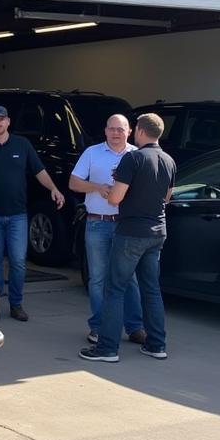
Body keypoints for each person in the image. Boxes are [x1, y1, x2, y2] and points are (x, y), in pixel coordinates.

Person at [79, 112, 176, 362]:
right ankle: (157, 345)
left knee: (115, 288)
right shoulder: (168, 160)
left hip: (131, 232)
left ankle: (107, 348)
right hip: (157, 232)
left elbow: (115, 198)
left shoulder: (133, 158)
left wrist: (115, 193)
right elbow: (167, 197)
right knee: (151, 289)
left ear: (139, 131)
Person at [0, 105, 65, 322]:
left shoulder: (22, 145)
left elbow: (39, 170)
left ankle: (16, 304)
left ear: (8, 122)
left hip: (18, 215)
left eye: (1, 119)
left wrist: (53, 188)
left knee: (18, 261)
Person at [68, 114, 145, 346]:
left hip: (125, 224)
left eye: (120, 129)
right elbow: (73, 183)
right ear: (105, 130)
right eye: (111, 129)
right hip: (97, 223)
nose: (115, 133)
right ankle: (99, 327)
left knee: (128, 277)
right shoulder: (92, 153)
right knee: (98, 278)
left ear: (129, 131)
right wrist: (96, 187)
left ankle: (135, 327)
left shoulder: (136, 155)